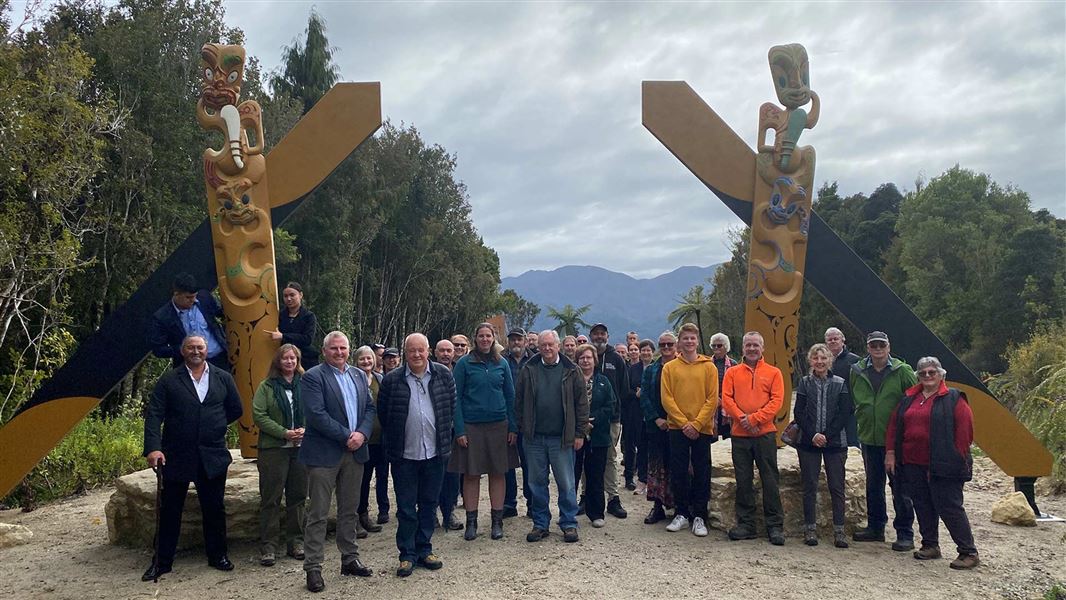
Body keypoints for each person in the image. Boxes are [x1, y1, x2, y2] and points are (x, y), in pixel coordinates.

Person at [141, 335, 243, 581]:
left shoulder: (223, 378)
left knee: (214, 508)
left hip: (212, 454)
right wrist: (153, 448)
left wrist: (213, 426)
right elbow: (154, 416)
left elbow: (235, 409)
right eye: (190, 347)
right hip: (176, 454)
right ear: (182, 351)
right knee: (170, 510)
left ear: (207, 350)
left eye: (200, 347)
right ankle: (162, 561)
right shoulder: (169, 380)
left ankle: (217, 555)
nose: (195, 351)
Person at [299, 331, 376, 593]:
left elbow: (369, 408)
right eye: (334, 348)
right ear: (324, 351)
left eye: (343, 348)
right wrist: (348, 436)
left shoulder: (357, 375)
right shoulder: (312, 377)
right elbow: (316, 415)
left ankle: (349, 558)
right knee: (318, 513)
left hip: (355, 453)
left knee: (349, 509)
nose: (339, 352)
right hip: (324, 454)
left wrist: (363, 434)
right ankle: (313, 567)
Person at [886, 357, 978, 570]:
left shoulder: (954, 398)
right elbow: (894, 426)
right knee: (922, 504)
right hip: (912, 463)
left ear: (941, 374)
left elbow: (965, 432)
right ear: (918, 376)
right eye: (923, 373)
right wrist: (891, 453)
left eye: (932, 372)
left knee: (950, 507)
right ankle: (930, 545)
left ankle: (968, 552)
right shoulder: (909, 398)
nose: (927, 376)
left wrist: (956, 460)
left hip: (944, 465)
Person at [376, 333, 456, 577]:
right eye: (412, 351)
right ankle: (407, 554)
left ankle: (425, 549)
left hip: (435, 453)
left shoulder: (443, 375)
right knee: (406, 507)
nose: (417, 355)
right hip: (404, 456)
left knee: (429, 504)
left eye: (421, 350)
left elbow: (450, 407)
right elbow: (384, 414)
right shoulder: (392, 380)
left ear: (428, 351)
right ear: (405, 353)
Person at [515, 330, 589, 543]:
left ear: (558, 346)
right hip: (534, 438)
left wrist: (579, 433)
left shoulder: (571, 370)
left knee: (566, 483)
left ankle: (568, 523)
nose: (547, 349)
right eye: (543, 345)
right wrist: (523, 426)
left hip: (562, 438)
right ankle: (540, 523)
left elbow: (581, 404)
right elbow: (518, 400)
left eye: (550, 345)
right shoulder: (528, 369)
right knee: (536, 483)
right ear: (537, 346)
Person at [450, 323, 519, 541]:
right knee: (471, 474)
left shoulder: (502, 364)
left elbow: (510, 396)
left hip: (499, 425)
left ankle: (497, 522)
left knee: (498, 473)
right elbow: (456, 399)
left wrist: (513, 426)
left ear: (494, 338)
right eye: (481, 336)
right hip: (471, 426)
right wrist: (459, 429)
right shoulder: (463, 364)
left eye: (489, 336)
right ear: (475, 339)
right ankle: (472, 522)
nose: (485, 339)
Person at [850, 331, 917, 550]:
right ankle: (876, 527)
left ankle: (905, 532)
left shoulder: (903, 371)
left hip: (896, 440)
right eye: (873, 345)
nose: (878, 348)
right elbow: (853, 398)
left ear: (888, 347)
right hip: (869, 437)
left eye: (881, 344)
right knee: (873, 485)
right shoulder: (857, 371)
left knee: (900, 487)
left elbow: (915, 400)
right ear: (868, 348)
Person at [721, 331, 786, 545]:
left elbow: (776, 401)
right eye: (748, 345)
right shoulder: (732, 372)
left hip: (765, 434)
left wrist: (756, 419)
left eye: (755, 345)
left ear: (762, 348)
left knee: (770, 479)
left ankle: (775, 526)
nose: (751, 349)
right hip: (740, 435)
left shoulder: (774, 372)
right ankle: (746, 524)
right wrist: (742, 418)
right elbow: (726, 398)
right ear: (742, 348)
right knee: (743, 480)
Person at [659, 323, 718, 537]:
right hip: (677, 427)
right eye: (686, 338)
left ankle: (700, 515)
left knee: (702, 470)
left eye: (693, 338)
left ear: (697, 341)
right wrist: (684, 423)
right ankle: (681, 512)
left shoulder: (709, 366)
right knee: (679, 470)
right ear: (679, 342)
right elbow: (667, 399)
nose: (689, 342)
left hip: (702, 428)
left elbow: (712, 398)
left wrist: (697, 423)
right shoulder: (670, 368)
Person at [252, 343, 308, 566]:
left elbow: (317, 409)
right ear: (278, 361)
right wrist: (284, 433)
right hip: (274, 450)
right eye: (285, 358)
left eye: (293, 358)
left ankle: (296, 541)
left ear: (298, 361)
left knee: (298, 497)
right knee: (271, 498)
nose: (290, 362)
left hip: (301, 449)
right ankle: (269, 546)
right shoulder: (267, 386)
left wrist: (305, 429)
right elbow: (259, 415)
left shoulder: (306, 384)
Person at [793, 343, 852, 548]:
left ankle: (839, 530)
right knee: (809, 485)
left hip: (835, 442)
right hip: (809, 442)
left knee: (837, 486)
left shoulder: (840, 383)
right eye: (815, 358)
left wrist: (826, 435)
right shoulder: (804, 383)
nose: (819, 362)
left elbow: (845, 413)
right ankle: (810, 528)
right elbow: (799, 412)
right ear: (810, 361)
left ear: (830, 360)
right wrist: (813, 434)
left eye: (823, 358)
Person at [574, 343, 618, 528]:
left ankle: (596, 512)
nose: (585, 360)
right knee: (572, 475)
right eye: (582, 357)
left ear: (595, 360)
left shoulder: (603, 381)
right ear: (577, 361)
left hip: (598, 434)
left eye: (589, 357)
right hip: (575, 435)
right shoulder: (571, 380)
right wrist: (581, 423)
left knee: (596, 475)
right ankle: (568, 511)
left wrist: (594, 420)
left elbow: (611, 405)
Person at [588, 323, 629, 519]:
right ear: (590, 336)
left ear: (607, 335)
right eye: (595, 333)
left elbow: (623, 388)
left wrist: (614, 410)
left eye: (602, 333)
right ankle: (585, 496)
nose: (599, 337)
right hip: (585, 420)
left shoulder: (616, 359)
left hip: (611, 419)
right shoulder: (585, 357)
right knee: (586, 457)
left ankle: (613, 498)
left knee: (610, 457)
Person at [149, 273, 229, 370]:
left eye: (194, 296)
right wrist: (183, 349)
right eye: (188, 297)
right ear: (176, 294)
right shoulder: (163, 317)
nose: (193, 300)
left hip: (220, 358)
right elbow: (158, 350)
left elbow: (220, 313)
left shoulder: (204, 298)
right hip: (192, 367)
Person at [639, 332, 678, 524]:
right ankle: (658, 505)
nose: (666, 347)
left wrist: (674, 419)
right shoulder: (651, 370)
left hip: (678, 426)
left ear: (676, 345)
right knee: (655, 466)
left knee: (678, 465)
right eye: (663, 344)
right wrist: (655, 419)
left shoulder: (683, 368)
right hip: (656, 427)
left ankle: (680, 505)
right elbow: (644, 396)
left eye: (670, 344)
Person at [353, 346, 387, 534]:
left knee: (380, 476)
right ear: (356, 361)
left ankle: (371, 514)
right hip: (361, 439)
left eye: (369, 359)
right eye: (362, 359)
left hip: (379, 438)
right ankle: (358, 517)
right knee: (361, 480)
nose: (366, 362)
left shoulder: (379, 379)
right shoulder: (351, 379)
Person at [434, 338, 463, 531]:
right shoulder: (429, 372)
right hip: (433, 431)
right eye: (442, 350)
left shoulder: (459, 371)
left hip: (455, 431)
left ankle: (449, 513)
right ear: (434, 352)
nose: (445, 354)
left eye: (449, 351)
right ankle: (430, 514)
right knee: (433, 475)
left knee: (452, 475)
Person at [504, 327, 532, 518]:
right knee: (507, 464)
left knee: (531, 464)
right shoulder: (501, 361)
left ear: (525, 341)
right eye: (512, 339)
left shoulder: (535, 360)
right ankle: (509, 503)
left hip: (529, 420)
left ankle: (532, 503)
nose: (516, 342)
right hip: (506, 420)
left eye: (519, 339)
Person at [265, 282, 319, 368]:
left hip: (306, 360)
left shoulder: (309, 316)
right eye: (285, 296)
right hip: (285, 361)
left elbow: (307, 339)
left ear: (300, 295)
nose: (289, 299)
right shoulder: (279, 316)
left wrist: (283, 336)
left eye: (292, 295)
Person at [622, 340, 652, 493]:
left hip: (652, 414)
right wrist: (636, 394)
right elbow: (625, 389)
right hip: (634, 413)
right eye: (643, 350)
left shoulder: (657, 368)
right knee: (634, 446)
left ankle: (648, 480)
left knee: (649, 448)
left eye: (648, 350)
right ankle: (634, 478)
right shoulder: (633, 369)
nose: (645, 353)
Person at [826, 327, 860, 447]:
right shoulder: (822, 361)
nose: (833, 341)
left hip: (850, 412)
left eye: (836, 338)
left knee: (852, 444)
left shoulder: (854, 360)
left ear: (843, 340)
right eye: (830, 339)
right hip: (829, 412)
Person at [709, 332, 737, 440]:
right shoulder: (706, 364)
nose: (716, 348)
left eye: (719, 345)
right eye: (713, 345)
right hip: (711, 404)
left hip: (728, 405)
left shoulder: (733, 364)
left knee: (731, 436)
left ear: (726, 347)